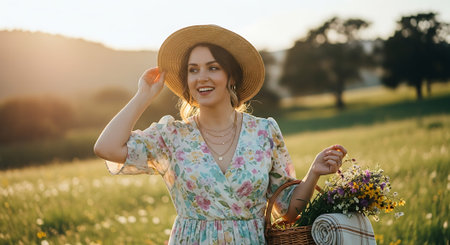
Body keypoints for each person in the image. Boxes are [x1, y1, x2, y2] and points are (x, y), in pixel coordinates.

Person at [94, 25, 347, 244]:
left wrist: (313, 173)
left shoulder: (264, 131)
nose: (201, 77)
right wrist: (143, 96)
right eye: (193, 70)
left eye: (212, 68)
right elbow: (106, 147)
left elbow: (289, 212)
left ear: (231, 77)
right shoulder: (171, 135)